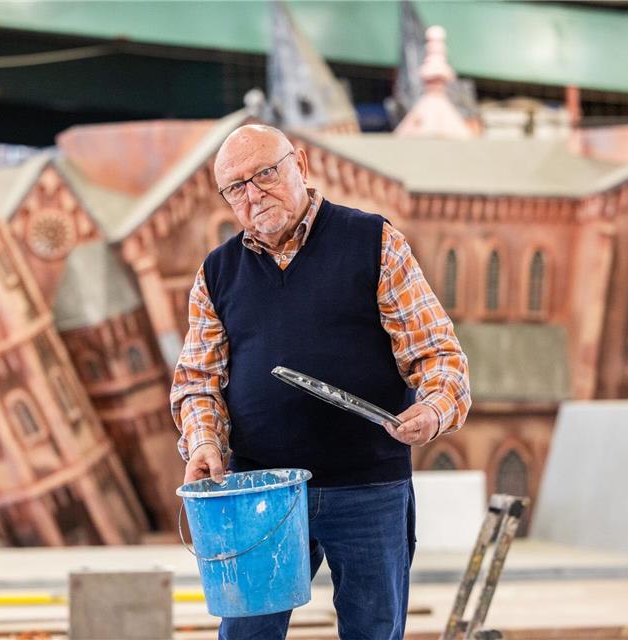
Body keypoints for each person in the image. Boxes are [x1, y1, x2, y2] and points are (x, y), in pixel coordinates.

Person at [170, 124, 470, 640]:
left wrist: (434, 409)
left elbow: (438, 355)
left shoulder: (374, 242)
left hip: (368, 486)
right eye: (236, 186)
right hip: (261, 491)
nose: (253, 193)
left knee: (373, 631)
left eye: (264, 173)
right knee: (247, 632)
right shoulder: (217, 272)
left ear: (301, 165)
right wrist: (202, 441)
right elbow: (198, 381)